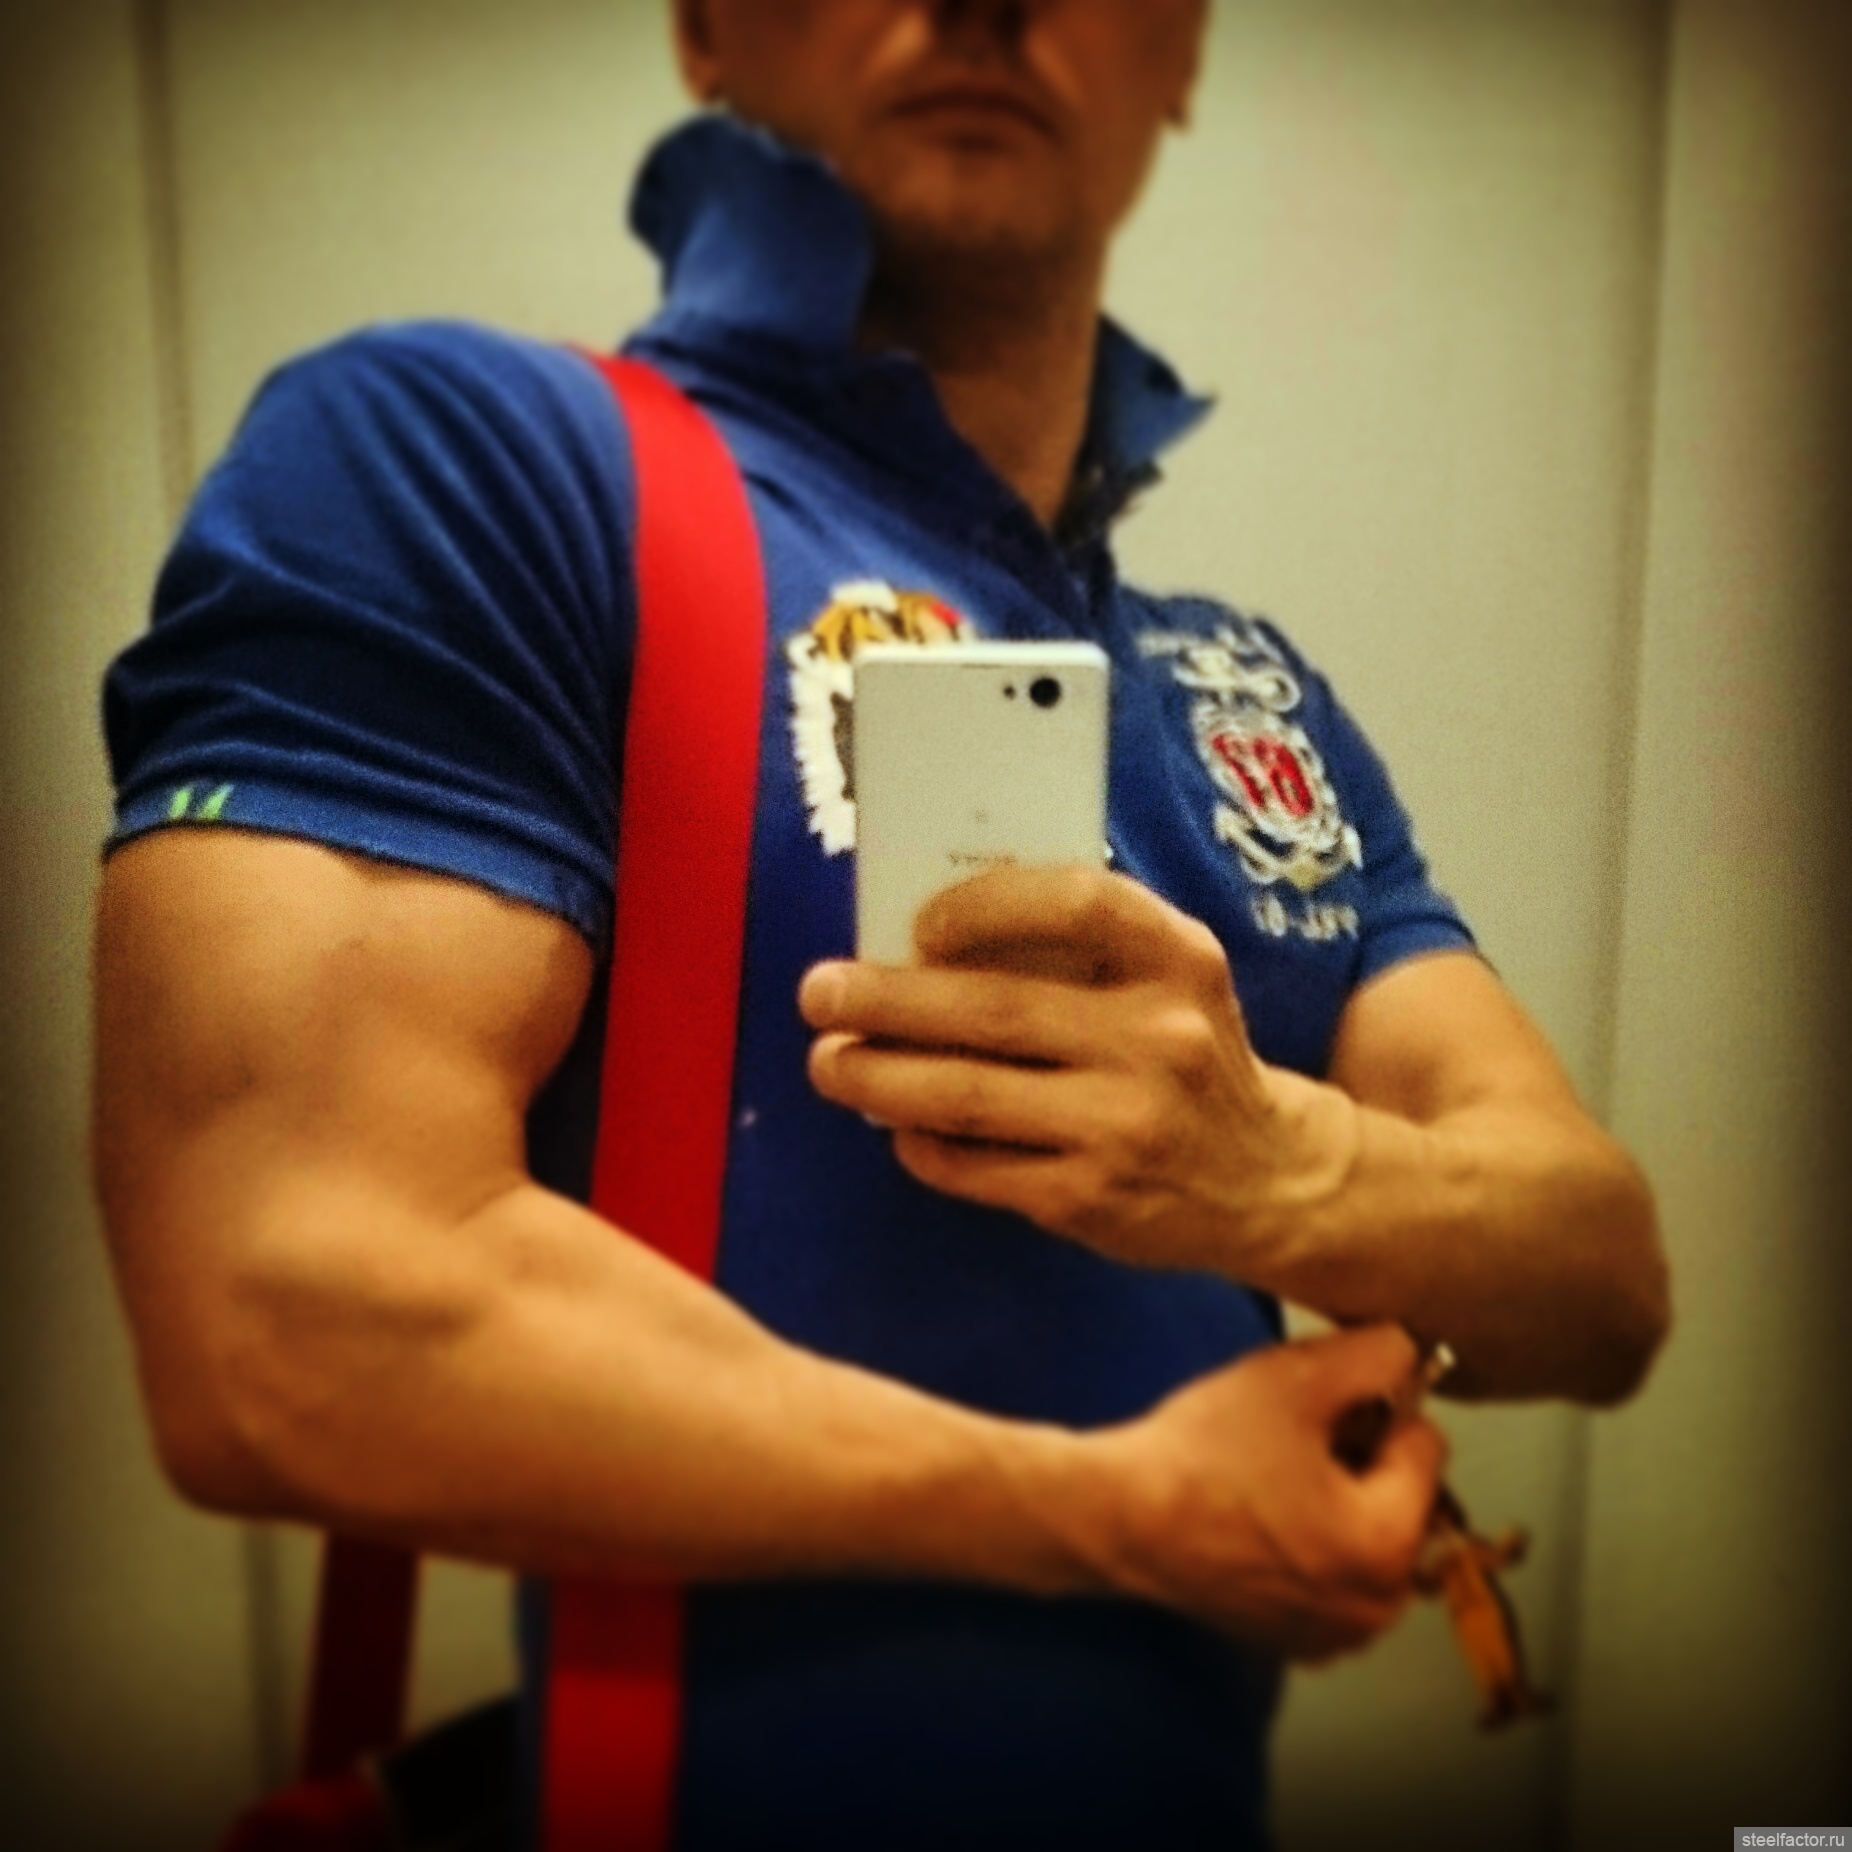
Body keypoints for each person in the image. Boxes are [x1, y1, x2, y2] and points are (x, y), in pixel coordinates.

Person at [93, 2, 1668, 1846]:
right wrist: (1111, 1514)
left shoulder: (1247, 697)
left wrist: (1275, 1171)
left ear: (1182, 51)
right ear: (704, 26)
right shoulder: (457, 461)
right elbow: (284, 1323)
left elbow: (1604, 1281)